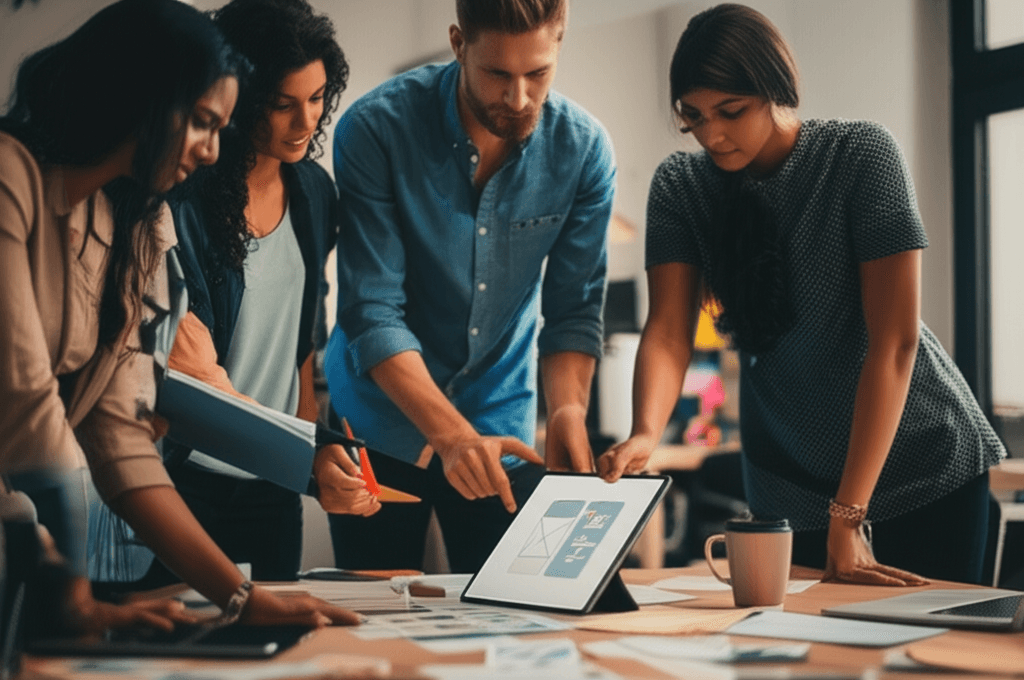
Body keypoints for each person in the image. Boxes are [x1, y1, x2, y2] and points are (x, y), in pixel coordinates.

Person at [598, 3, 1006, 586]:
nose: (711, 133)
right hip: (789, 481)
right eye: (693, 115)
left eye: (730, 111)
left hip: (920, 465)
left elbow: (894, 344)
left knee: (923, 662)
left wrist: (850, 512)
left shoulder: (861, 156)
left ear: (774, 88)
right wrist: (645, 431)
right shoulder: (680, 188)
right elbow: (667, 331)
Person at [0, 0, 357, 630]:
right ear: (137, 96)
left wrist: (244, 601)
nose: (213, 151)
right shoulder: (11, 178)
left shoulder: (141, 223)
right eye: (200, 122)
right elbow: (27, 406)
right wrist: (77, 595)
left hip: (27, 546)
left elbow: (120, 436)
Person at [325, 0, 616, 572]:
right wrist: (453, 437)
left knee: (509, 628)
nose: (519, 98)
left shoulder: (583, 152)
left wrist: (565, 415)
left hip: (501, 421)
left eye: (537, 74)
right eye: (497, 75)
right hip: (378, 419)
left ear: (559, 44)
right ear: (459, 43)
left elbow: (574, 313)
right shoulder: (376, 128)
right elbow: (372, 310)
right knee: (379, 626)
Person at [145, 0, 379, 586]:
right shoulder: (183, 196)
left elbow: (298, 344)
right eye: (282, 104)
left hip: (275, 485)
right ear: (241, 99)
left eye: (318, 98)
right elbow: (188, 370)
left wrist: (308, 449)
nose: (306, 122)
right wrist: (300, 454)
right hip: (184, 480)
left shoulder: (314, 191)